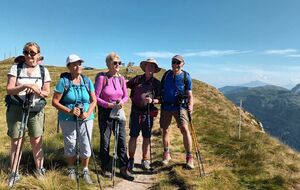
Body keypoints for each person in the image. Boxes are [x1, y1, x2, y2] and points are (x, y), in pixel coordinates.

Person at [6, 42, 51, 187]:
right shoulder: (16, 68)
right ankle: (14, 172)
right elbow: (10, 89)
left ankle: (40, 170)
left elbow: (46, 93)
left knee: (36, 140)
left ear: (38, 54)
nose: (29, 55)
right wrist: (25, 86)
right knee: (16, 141)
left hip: (35, 109)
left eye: (32, 52)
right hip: (16, 108)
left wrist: (38, 90)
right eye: (26, 52)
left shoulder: (44, 71)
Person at [52, 54, 96, 184]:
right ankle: (71, 169)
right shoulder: (63, 82)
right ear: (69, 67)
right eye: (74, 64)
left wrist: (87, 113)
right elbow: (54, 102)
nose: (78, 66)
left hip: (86, 118)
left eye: (79, 63)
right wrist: (70, 111)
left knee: (85, 144)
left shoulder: (87, 81)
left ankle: (85, 170)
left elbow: (94, 100)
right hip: (67, 118)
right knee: (70, 143)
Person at [95, 52, 134, 181]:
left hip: (118, 111)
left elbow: (125, 96)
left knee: (122, 140)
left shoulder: (121, 78)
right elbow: (95, 97)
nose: (118, 65)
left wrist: (121, 102)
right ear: (108, 64)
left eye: (119, 62)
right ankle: (105, 167)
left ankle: (123, 167)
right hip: (106, 113)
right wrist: (108, 105)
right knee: (105, 141)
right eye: (115, 62)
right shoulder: (102, 78)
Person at [160, 55, 195, 169]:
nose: (175, 64)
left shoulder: (186, 77)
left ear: (182, 64)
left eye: (178, 62)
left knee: (185, 130)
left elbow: (190, 95)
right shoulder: (166, 75)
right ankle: (166, 154)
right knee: (165, 130)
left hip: (180, 107)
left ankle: (189, 157)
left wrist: (191, 105)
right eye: (173, 62)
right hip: (166, 107)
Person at [126, 58, 161, 171]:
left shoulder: (156, 83)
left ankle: (145, 159)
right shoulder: (137, 79)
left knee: (146, 137)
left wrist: (153, 101)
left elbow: (161, 99)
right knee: (133, 136)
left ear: (155, 69)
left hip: (148, 113)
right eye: (148, 66)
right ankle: (131, 159)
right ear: (144, 67)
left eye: (152, 66)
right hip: (135, 112)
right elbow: (125, 85)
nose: (150, 68)